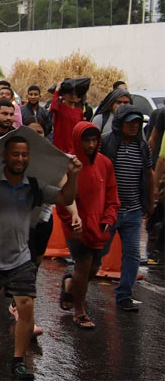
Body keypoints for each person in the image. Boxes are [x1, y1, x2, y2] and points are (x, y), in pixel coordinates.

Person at [0, 136, 81, 380]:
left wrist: (72, 175)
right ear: (5, 156)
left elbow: (65, 199)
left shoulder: (34, 185)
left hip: (20, 259)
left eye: (24, 155)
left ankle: (18, 361)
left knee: (26, 305)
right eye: (15, 154)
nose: (20, 159)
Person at [57, 122, 120, 328]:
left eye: (95, 140)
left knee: (93, 268)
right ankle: (80, 311)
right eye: (87, 141)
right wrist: (71, 221)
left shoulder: (105, 163)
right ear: (78, 141)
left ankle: (69, 284)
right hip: (76, 226)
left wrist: (109, 218)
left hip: (100, 226)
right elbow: (63, 197)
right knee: (83, 266)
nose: (91, 145)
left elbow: (112, 195)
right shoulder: (68, 162)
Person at [100, 105, 155, 311]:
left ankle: (124, 295)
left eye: (137, 123)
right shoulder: (105, 142)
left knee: (132, 254)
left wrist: (149, 202)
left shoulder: (143, 146)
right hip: (109, 210)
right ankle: (76, 285)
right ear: (119, 123)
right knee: (97, 253)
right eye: (129, 122)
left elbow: (148, 175)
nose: (133, 126)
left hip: (133, 210)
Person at [50, 80, 84, 153]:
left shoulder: (79, 111)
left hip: (74, 150)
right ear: (64, 95)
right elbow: (53, 106)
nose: (73, 96)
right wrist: (57, 90)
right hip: (59, 150)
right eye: (70, 93)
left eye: (75, 94)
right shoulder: (59, 108)